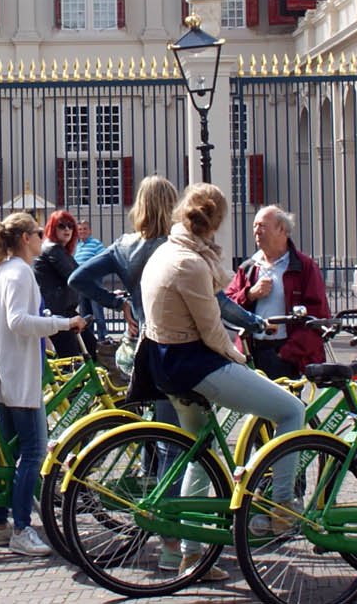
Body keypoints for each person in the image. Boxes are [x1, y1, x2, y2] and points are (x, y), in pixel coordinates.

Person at [135, 183, 305, 578]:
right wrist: (240, 361)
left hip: (166, 366)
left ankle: (192, 554)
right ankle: (282, 507)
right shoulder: (192, 264)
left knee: (201, 451)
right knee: (291, 410)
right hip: (195, 365)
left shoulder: (166, 253)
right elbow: (212, 331)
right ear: (215, 224)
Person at [0, 211, 88, 557]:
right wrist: (62, 324)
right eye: (38, 232)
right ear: (25, 238)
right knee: (34, 452)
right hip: (18, 374)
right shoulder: (21, 272)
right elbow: (18, 321)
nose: (42, 237)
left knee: (8, 455)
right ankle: (22, 529)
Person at [70, 176, 265, 383]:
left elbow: (77, 278)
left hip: (138, 344)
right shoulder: (179, 248)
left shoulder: (123, 247)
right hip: (179, 348)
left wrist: (119, 304)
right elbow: (219, 302)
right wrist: (256, 323)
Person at [224, 205, 331, 381]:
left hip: (284, 354)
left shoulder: (303, 267)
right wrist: (250, 294)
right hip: (252, 352)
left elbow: (317, 315)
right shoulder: (249, 267)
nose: (257, 231)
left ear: (282, 229)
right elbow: (227, 305)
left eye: (262, 226)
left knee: (286, 408)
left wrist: (286, 354)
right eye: (254, 226)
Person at [35, 210, 93, 361]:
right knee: (72, 358)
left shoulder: (59, 250)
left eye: (70, 226)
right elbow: (75, 275)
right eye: (61, 226)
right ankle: (75, 384)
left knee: (89, 344)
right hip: (57, 313)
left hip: (65, 311)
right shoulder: (53, 249)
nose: (67, 229)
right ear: (52, 228)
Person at [73, 218, 110, 343]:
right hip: (81, 283)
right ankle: (89, 341)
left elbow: (102, 259)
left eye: (84, 229)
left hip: (93, 281)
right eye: (80, 229)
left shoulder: (96, 243)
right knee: (85, 314)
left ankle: (102, 338)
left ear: (90, 231)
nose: (82, 231)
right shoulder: (77, 246)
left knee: (97, 311)